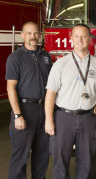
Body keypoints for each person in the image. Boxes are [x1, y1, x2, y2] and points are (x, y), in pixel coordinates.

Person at [44, 24, 96, 179]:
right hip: (63, 118)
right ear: (71, 39)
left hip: (88, 118)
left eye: (84, 36)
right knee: (60, 160)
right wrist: (49, 119)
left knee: (85, 161)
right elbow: (50, 94)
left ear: (90, 39)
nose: (80, 40)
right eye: (77, 36)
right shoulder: (61, 64)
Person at [6, 21, 52, 179]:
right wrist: (18, 115)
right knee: (20, 156)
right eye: (29, 33)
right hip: (24, 110)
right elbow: (10, 87)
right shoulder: (15, 57)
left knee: (42, 155)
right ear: (22, 35)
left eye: (36, 33)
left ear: (39, 35)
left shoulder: (45, 56)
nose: (33, 36)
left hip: (43, 110)